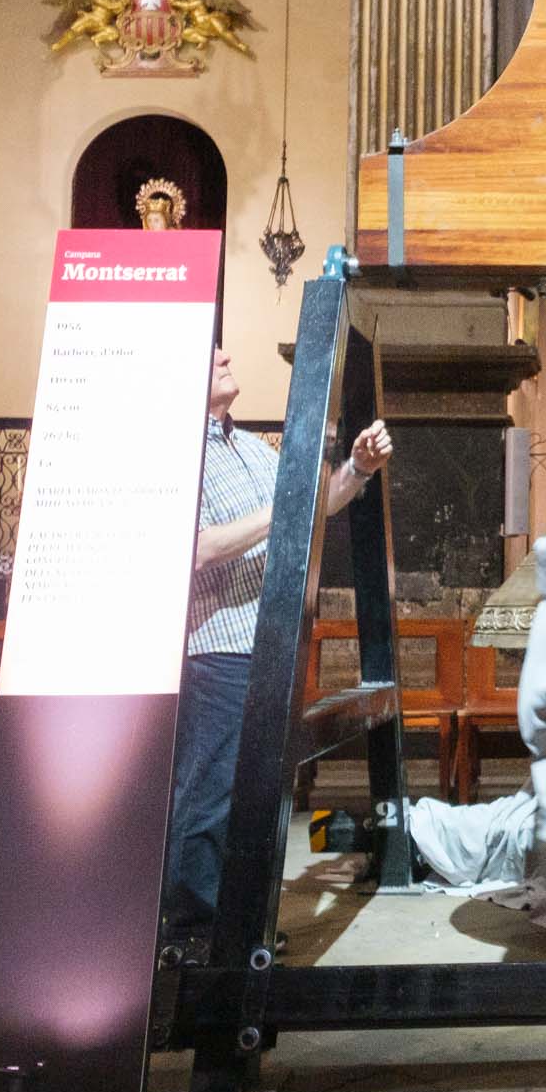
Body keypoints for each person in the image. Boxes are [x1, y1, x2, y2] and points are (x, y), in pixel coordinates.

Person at [164, 347, 393, 940]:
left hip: (270, 649)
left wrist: (358, 469)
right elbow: (197, 549)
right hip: (217, 651)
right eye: (209, 352)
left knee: (258, 800)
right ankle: (194, 933)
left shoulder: (247, 449)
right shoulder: (175, 454)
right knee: (210, 800)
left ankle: (240, 930)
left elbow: (313, 506)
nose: (224, 355)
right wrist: (284, 509)